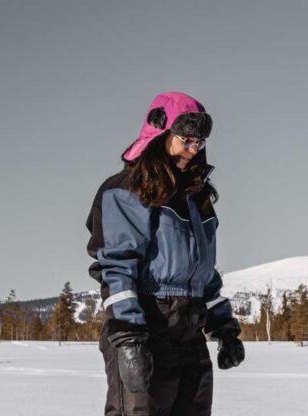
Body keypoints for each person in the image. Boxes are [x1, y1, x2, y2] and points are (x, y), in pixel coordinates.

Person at [86, 92, 245, 416]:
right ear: (161, 133)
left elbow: (202, 272)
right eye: (187, 140)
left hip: (189, 331)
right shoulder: (127, 190)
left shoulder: (195, 197)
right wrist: (129, 338)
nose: (194, 149)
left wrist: (224, 327)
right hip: (147, 326)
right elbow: (117, 266)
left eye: (199, 143)